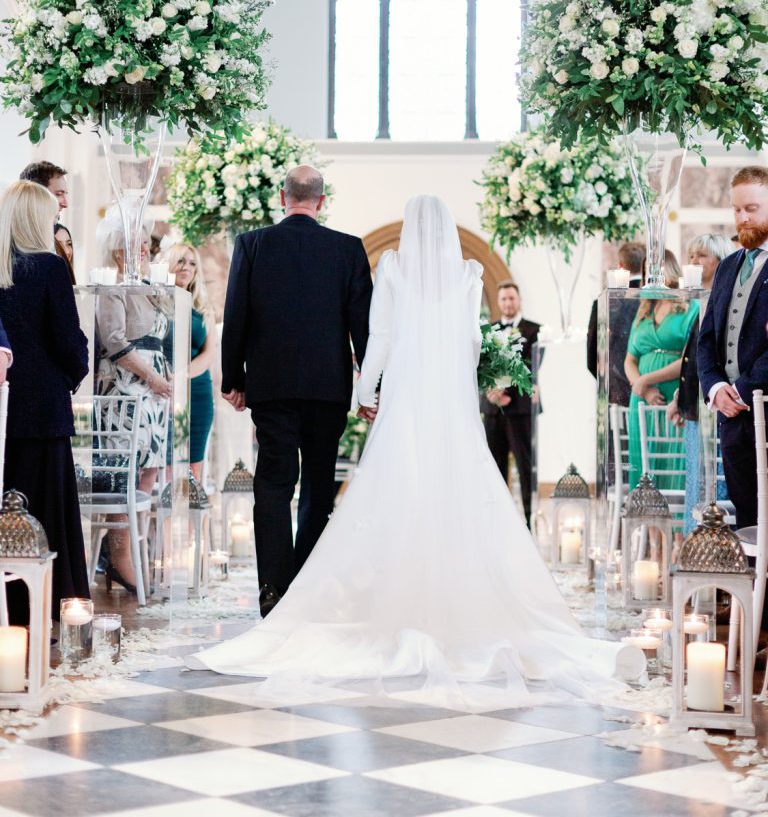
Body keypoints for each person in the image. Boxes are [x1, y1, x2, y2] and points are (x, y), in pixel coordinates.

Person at [192, 195, 643, 705]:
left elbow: (379, 334)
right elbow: (471, 343)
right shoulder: (468, 275)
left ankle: (305, 593)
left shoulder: (392, 268)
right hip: (446, 404)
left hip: (397, 399)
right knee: (445, 489)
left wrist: (367, 391)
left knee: (359, 489)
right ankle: (455, 599)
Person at [221, 165, 372, 617]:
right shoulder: (347, 249)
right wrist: (369, 387)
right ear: (321, 202)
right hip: (328, 387)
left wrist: (234, 379)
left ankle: (273, 589)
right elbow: (363, 326)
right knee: (319, 485)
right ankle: (306, 582)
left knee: (273, 481)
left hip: (272, 386)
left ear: (283, 198)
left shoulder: (252, 244)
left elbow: (236, 316)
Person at [0, 180, 90, 622]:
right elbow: (69, 340)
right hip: (46, 409)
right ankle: (52, 608)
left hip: (6, 412)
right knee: (47, 514)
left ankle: (7, 611)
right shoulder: (50, 268)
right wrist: (77, 371)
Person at [94, 211, 172, 592]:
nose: (145, 248)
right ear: (119, 251)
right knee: (124, 475)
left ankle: (134, 555)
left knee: (150, 471)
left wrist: (165, 377)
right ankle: (119, 556)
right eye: (137, 244)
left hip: (154, 395)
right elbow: (115, 343)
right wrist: (154, 377)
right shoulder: (114, 289)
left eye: (145, 243)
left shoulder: (147, 286)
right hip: (127, 392)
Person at [698, 166, 768, 530]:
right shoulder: (727, 267)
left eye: (752, 208)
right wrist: (714, 388)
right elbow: (706, 337)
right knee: (745, 514)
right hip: (729, 415)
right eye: (737, 209)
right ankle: (750, 584)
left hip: (764, 409)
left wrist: (741, 390)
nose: (742, 218)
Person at [667, 234, 734, 533]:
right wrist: (680, 399)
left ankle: (718, 543)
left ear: (720, 260)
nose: (692, 262)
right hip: (695, 410)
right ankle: (697, 544)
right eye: (691, 255)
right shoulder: (698, 302)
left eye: (701, 256)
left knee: (716, 484)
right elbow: (693, 359)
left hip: (717, 409)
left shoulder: (726, 301)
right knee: (694, 480)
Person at [624, 251, 699, 489]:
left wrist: (647, 379)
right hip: (642, 400)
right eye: (648, 271)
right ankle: (651, 526)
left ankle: (675, 526)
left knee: (673, 461)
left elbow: (690, 359)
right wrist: (642, 388)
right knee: (645, 461)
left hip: (674, 395)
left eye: (658, 268)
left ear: (672, 269)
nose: (652, 275)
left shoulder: (690, 306)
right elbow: (629, 360)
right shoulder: (644, 309)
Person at [479, 281, 539, 525]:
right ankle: (498, 521)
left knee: (525, 466)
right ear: (498, 301)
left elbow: (532, 365)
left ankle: (527, 519)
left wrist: (507, 391)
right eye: (503, 299)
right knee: (494, 467)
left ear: (519, 299)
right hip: (493, 409)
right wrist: (491, 391)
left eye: (511, 298)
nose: (507, 303)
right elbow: (481, 364)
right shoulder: (489, 331)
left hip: (520, 409)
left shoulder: (533, 330)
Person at [167, 243, 215, 480]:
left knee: (193, 468)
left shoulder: (203, 308)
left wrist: (183, 376)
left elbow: (208, 354)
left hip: (197, 390)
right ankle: (161, 517)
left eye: (192, 263)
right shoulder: (157, 302)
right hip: (163, 389)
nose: (186, 267)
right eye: (181, 261)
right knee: (164, 466)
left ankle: (190, 517)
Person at [586, 241, 645, 397]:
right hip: (650, 385)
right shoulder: (656, 299)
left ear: (621, 265)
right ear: (646, 264)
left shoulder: (604, 302)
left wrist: (608, 383)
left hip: (615, 389)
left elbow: (592, 354)